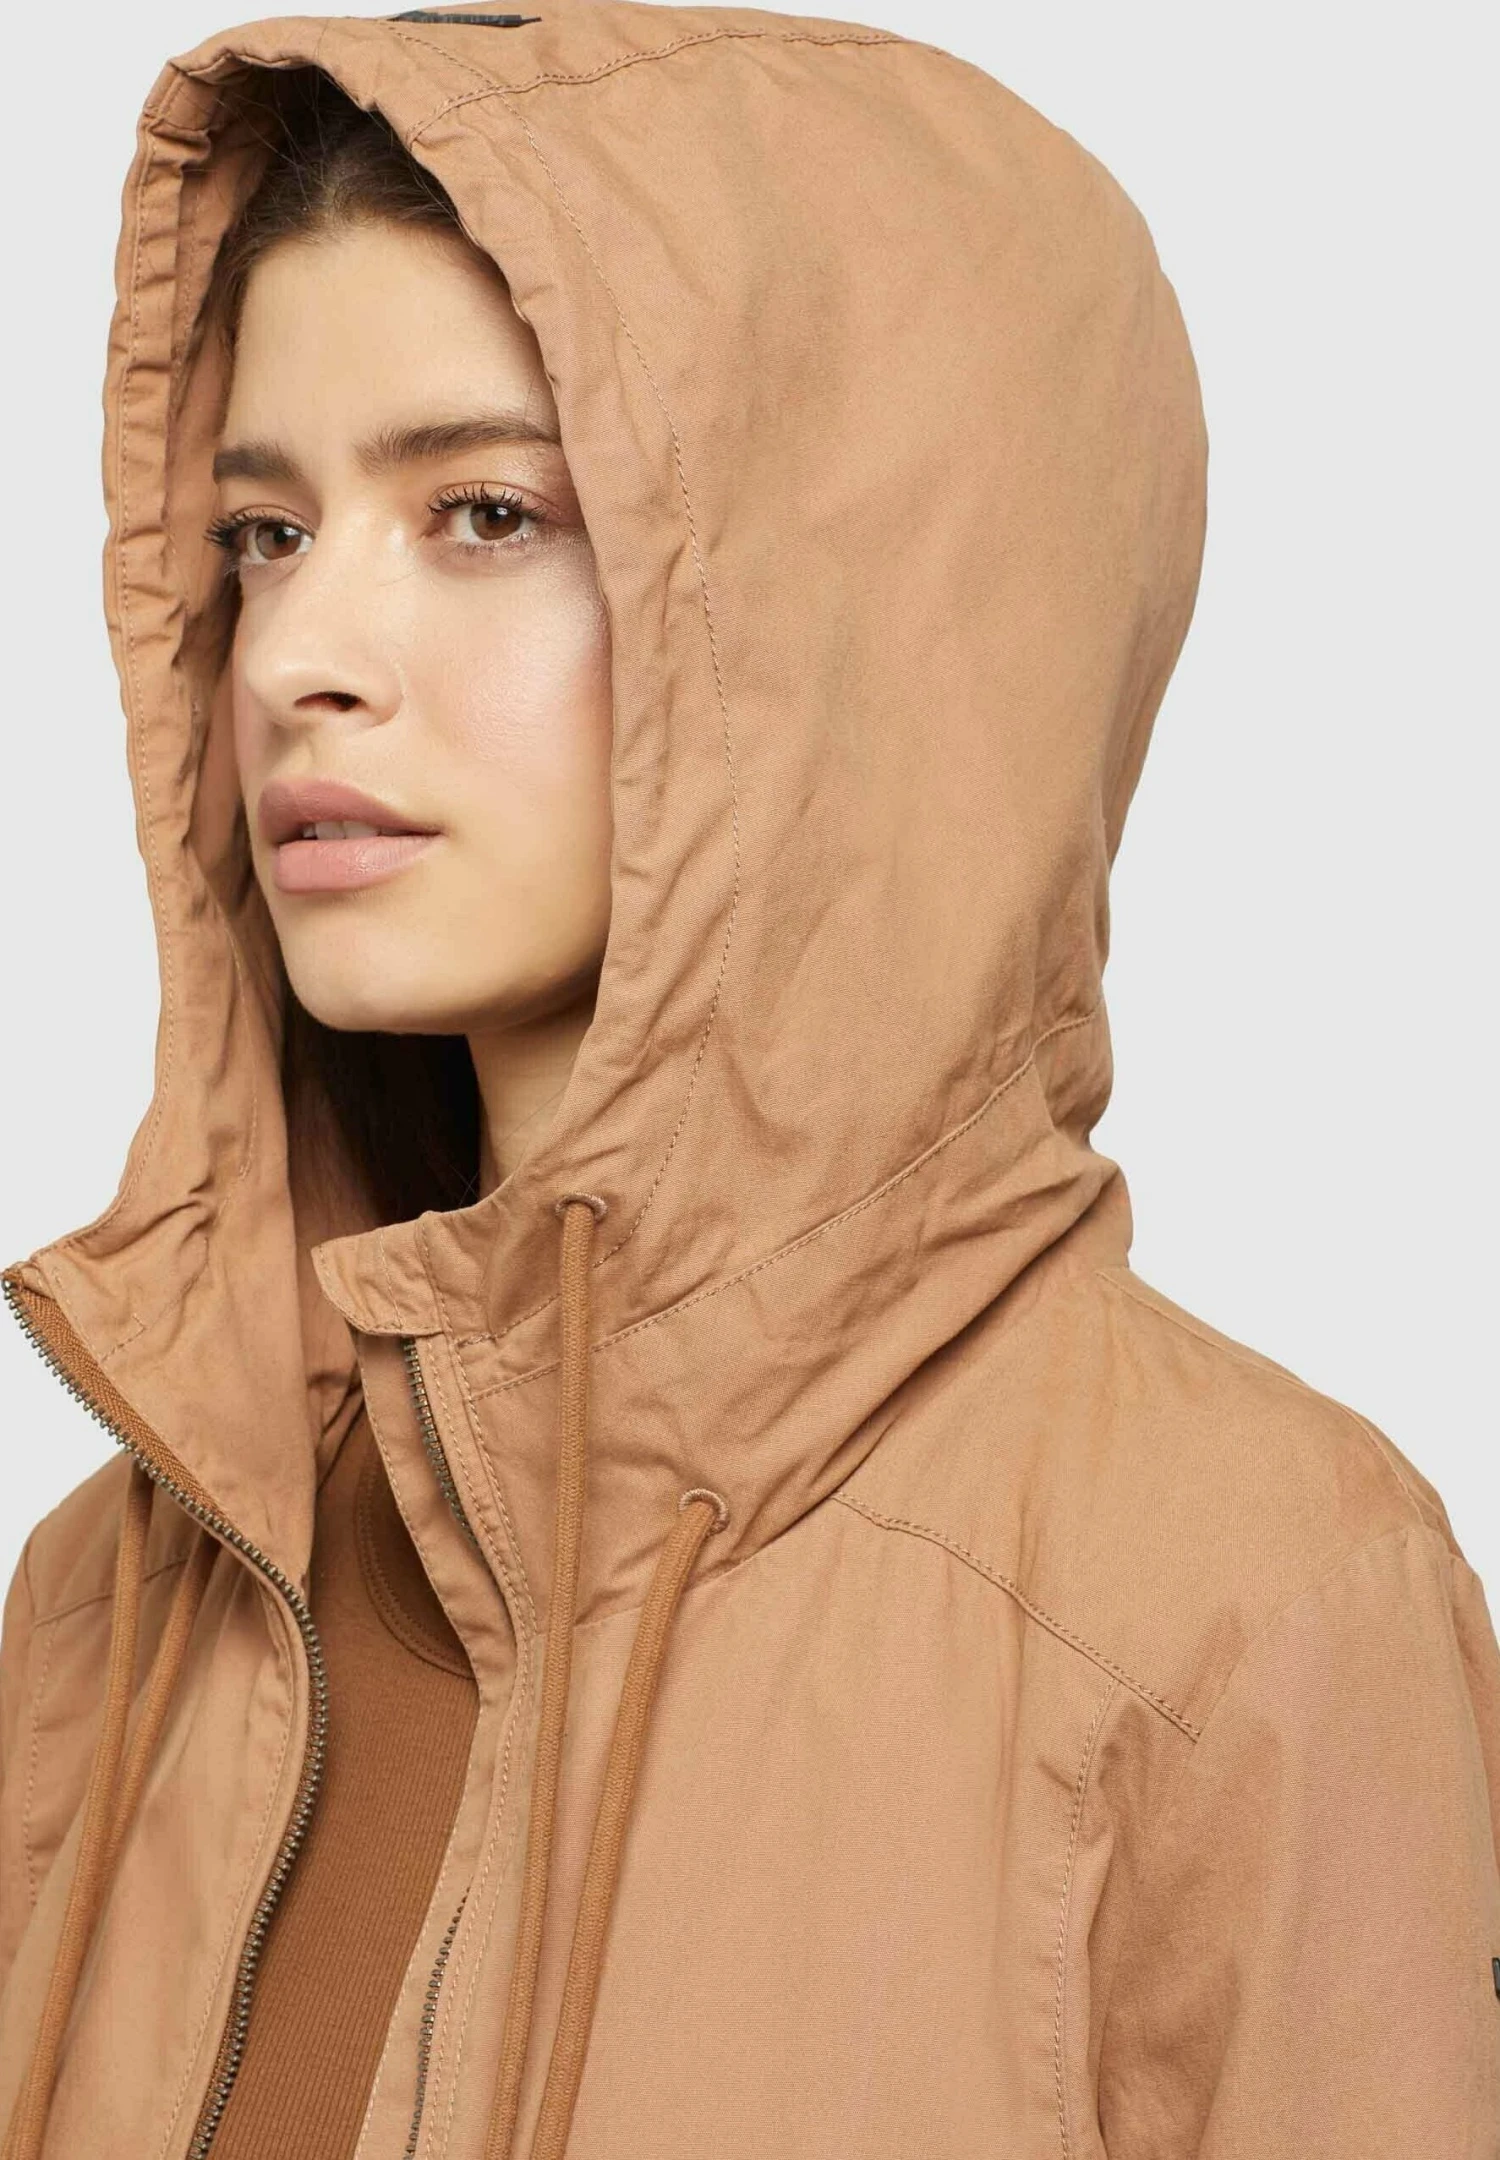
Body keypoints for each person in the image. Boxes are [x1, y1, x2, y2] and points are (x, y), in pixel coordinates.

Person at [1, 6, 1496, 2157]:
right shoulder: (131, 1587)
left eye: (486, 511)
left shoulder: (1241, 1608)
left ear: (849, 614)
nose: (300, 657)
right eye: (266, 534)